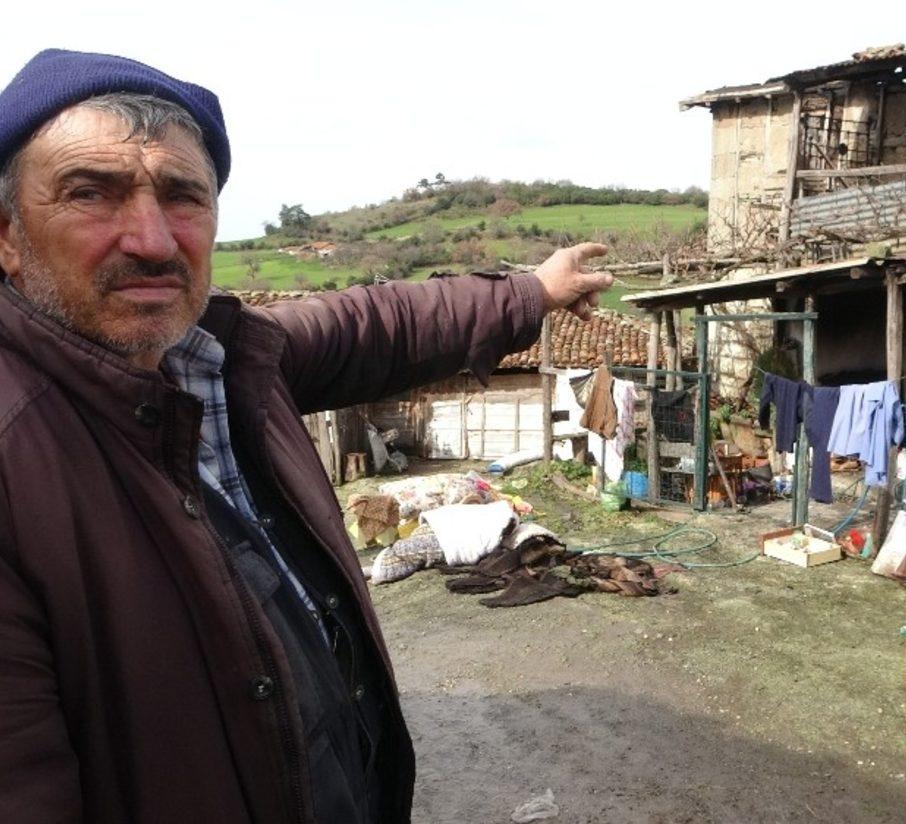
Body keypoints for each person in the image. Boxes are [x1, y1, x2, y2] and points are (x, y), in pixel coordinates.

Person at [0, 49, 611, 824]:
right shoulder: (17, 460)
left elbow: (381, 323)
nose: (152, 239)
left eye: (183, 197)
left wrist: (532, 292)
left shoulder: (225, 359)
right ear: (8, 235)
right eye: (92, 192)